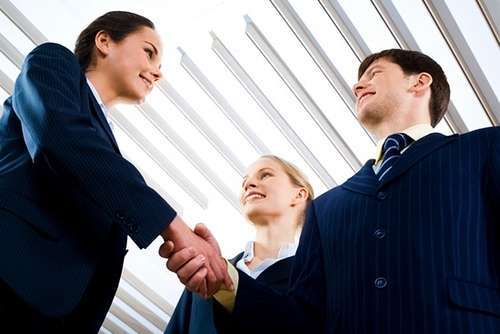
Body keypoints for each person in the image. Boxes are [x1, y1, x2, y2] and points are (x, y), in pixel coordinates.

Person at [163, 49, 500, 333]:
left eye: (374, 73)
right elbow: (302, 319)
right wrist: (226, 281)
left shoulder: (485, 148)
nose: (358, 84)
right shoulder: (326, 208)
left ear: (419, 81)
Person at [0, 11, 229, 333]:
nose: (157, 73)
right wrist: (173, 227)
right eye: (149, 52)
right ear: (104, 41)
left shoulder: (106, 147)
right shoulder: (53, 61)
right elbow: (59, 137)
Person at [164, 155, 314, 333]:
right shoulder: (203, 270)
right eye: (245, 181)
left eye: (265, 175)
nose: (248, 184)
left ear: (299, 194)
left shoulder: (314, 279)